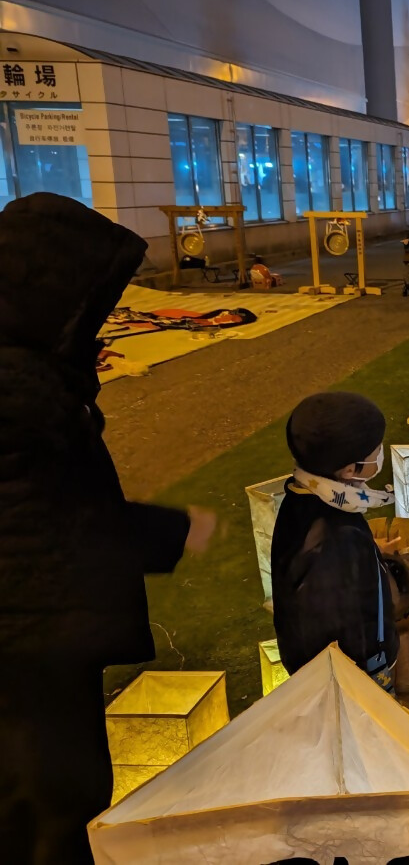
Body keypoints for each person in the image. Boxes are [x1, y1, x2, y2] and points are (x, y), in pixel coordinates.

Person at [0, 193, 216, 863]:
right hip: (28, 646)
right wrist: (168, 534)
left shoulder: (31, 371)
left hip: (37, 638)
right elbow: (49, 527)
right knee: (52, 801)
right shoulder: (18, 392)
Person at [272, 392, 409, 687]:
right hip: (350, 675)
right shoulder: (335, 537)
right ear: (350, 469)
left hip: (322, 668)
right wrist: (375, 666)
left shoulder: (312, 497)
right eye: (376, 449)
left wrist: (370, 551)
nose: (380, 452)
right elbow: (352, 621)